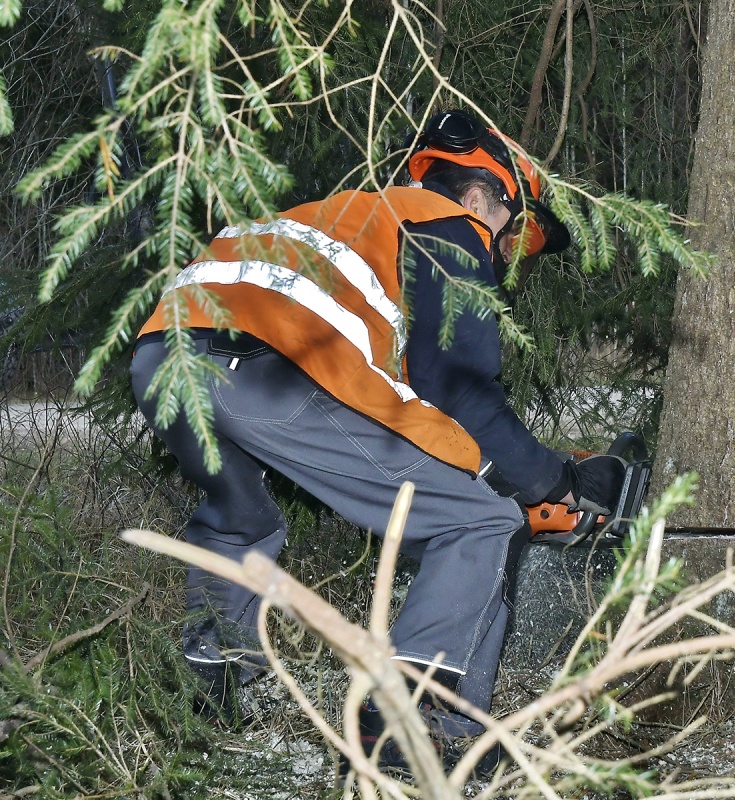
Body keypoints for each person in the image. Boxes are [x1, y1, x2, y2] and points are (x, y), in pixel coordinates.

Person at [129, 109, 626, 775]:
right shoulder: (447, 225)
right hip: (269, 364)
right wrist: (557, 482)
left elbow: (413, 405)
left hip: (162, 356)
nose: (504, 253)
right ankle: (409, 728)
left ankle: (208, 693)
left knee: (242, 520)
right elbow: (461, 393)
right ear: (483, 197)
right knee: (480, 523)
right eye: (511, 233)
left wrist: (491, 468)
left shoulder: (347, 216)